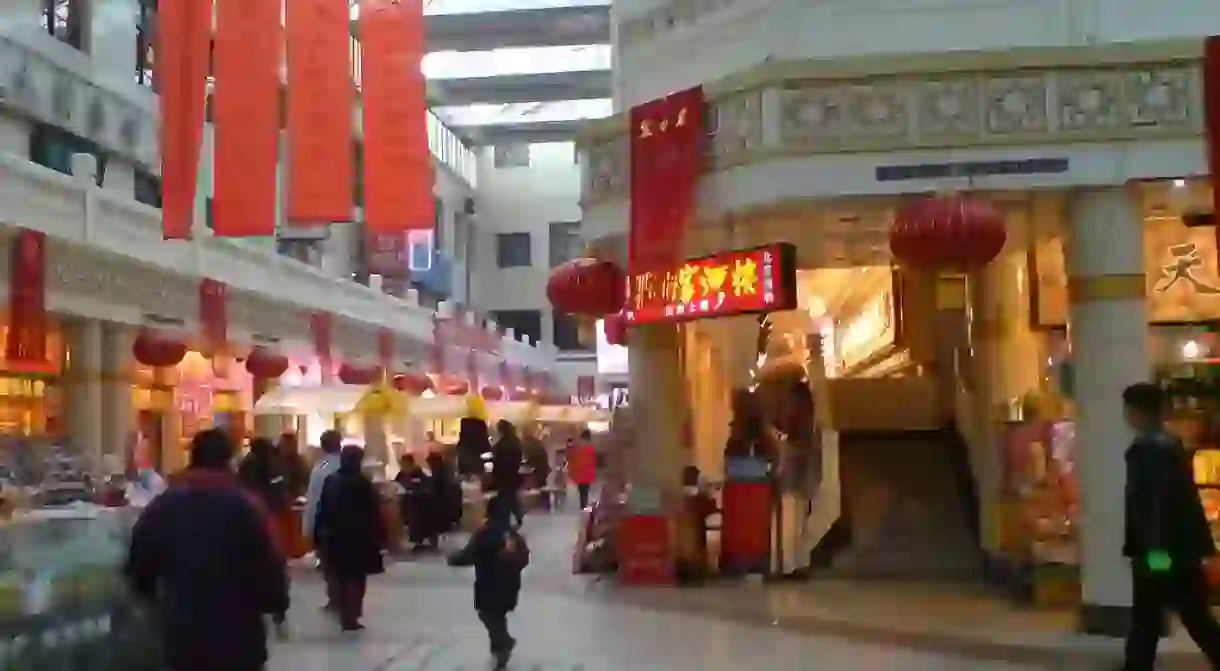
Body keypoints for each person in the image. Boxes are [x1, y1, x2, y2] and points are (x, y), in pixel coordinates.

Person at [124, 428, 288, 671]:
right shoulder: (247, 508)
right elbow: (269, 565)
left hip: (182, 634)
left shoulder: (164, 507)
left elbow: (138, 566)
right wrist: (275, 603)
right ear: (229, 461)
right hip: (239, 635)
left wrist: (153, 602)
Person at [1119, 382, 1220, 671]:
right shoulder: (1170, 446)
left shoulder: (1150, 452)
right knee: (1174, 614)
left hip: (1160, 550)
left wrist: (1153, 553)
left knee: (1170, 612)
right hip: (1174, 548)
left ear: (1137, 413)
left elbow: (1155, 507)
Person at [447, 493, 529, 670]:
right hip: (510, 585)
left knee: (488, 614)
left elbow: (469, 554)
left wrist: (453, 558)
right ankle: (499, 651)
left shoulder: (486, 532)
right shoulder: (512, 533)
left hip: (488, 583)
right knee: (498, 616)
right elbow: (524, 557)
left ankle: (503, 642)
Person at [314, 445, 387, 632]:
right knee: (356, 578)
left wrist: (319, 534)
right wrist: (380, 537)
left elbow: (322, 509)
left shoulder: (331, 481)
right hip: (359, 538)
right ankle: (351, 615)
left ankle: (343, 611)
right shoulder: (363, 483)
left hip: (334, 536)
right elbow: (373, 513)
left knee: (339, 575)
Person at [237, 436, 292, 634]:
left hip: (248, 519)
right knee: (275, 565)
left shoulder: (246, 465)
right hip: (271, 519)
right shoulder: (274, 464)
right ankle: (279, 615)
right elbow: (279, 491)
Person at [303, 429, 343, 611]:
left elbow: (314, 500)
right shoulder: (350, 464)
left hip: (326, 523)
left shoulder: (320, 469)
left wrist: (308, 527)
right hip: (348, 523)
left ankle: (334, 598)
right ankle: (347, 599)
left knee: (329, 564)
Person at [491, 420, 525, 527]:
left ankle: (506, 521)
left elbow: (497, 460)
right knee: (511, 497)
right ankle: (517, 516)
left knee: (505, 498)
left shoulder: (501, 444)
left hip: (503, 476)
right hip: (514, 474)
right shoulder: (516, 441)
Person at [568, 430, 598, 510]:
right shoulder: (591, 448)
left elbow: (573, 460)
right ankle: (584, 506)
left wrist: (572, 472)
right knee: (584, 492)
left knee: (583, 492)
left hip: (580, 474)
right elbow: (594, 461)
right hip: (587, 474)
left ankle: (583, 506)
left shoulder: (578, 448)